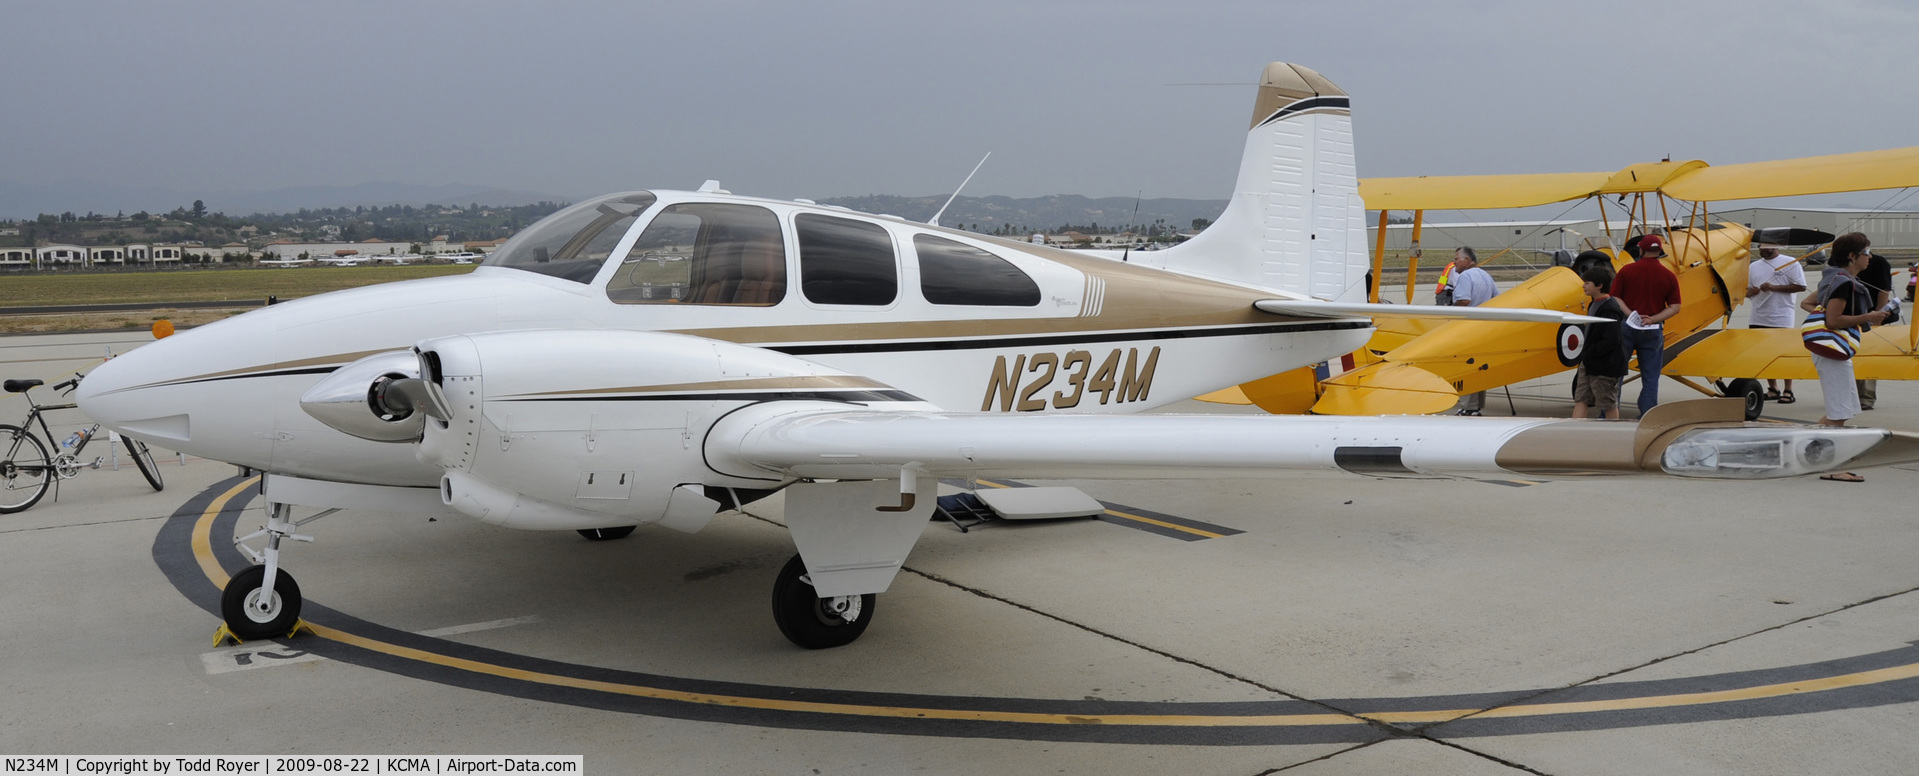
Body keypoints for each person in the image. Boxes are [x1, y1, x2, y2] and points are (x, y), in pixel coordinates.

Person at [1810, 233, 1889, 483]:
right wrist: (1869, 317)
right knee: (1839, 410)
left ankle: (1811, 449)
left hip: (1828, 348)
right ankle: (1829, 466)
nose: (1870, 257)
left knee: (1840, 408)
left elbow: (1808, 303)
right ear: (1852, 256)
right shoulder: (1845, 282)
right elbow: (1833, 321)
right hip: (1834, 349)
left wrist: (1823, 316)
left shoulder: (1831, 276)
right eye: (1866, 252)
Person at [1609, 233, 1682, 416]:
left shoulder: (1627, 271)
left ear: (1641, 250)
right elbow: (1675, 307)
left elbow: (1615, 296)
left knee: (1616, 372)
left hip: (1627, 327)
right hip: (1652, 329)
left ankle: (1610, 412)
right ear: (1659, 251)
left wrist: (1630, 315)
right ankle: (1647, 414)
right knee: (1651, 376)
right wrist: (1652, 319)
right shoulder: (1669, 276)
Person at [1745, 243, 1806, 404]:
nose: (1762, 250)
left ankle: (1788, 390)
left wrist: (1774, 287)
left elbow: (1801, 286)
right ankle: (1773, 388)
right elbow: (1746, 290)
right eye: (1760, 248)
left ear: (1776, 247)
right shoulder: (1754, 266)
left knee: (1783, 355)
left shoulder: (1790, 262)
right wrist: (1750, 292)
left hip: (1781, 316)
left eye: (1766, 248)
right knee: (1764, 355)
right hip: (1758, 316)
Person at [1572, 265, 1628, 419]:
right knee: (1581, 398)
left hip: (1605, 365)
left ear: (1599, 285)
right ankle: (1574, 431)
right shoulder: (1593, 304)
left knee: (1607, 403)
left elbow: (1610, 339)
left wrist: (1589, 353)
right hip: (1589, 362)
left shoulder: (1609, 308)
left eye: (1587, 283)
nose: (1584, 285)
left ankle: (1612, 434)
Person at [1449, 247, 1498, 415]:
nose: (1454, 262)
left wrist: (1450, 312)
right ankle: (1476, 406)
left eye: (1457, 258)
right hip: (1484, 329)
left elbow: (1463, 300)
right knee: (1479, 367)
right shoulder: (1486, 276)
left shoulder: (1465, 276)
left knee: (1465, 366)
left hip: (1467, 328)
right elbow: (1497, 299)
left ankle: (1468, 406)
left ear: (1467, 260)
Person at [1854, 248, 1894, 410]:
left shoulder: (1879, 263)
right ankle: (1851, 395)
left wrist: (1878, 316)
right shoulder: (1840, 263)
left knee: (1868, 355)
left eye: (1868, 253)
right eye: (1864, 253)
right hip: (1850, 316)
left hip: (1872, 314)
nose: (1868, 257)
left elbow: (1884, 290)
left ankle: (1866, 398)